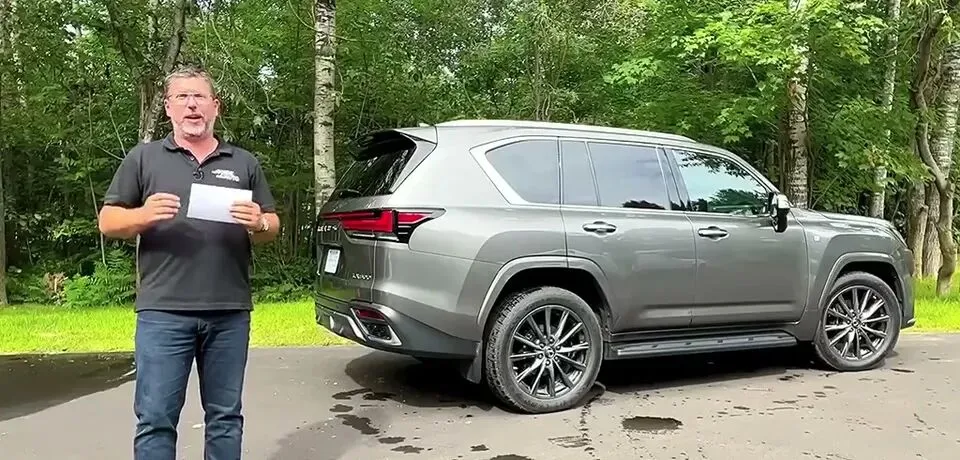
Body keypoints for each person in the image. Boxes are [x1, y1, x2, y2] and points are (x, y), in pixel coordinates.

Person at [98, 65, 280, 460]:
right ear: (168, 107)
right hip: (163, 312)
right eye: (182, 97)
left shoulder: (243, 162)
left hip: (229, 310)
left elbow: (272, 224)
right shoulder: (144, 158)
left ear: (216, 106)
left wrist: (260, 222)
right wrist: (143, 216)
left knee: (225, 418)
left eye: (199, 96)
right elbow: (108, 221)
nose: (192, 105)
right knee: (156, 419)